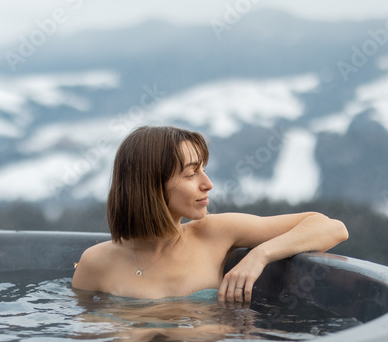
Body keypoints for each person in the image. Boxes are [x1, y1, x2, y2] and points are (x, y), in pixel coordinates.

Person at [72, 125, 348, 303]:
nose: (208, 183)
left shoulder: (215, 233)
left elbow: (330, 227)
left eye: (203, 170)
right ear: (150, 185)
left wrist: (259, 255)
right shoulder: (95, 262)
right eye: (192, 174)